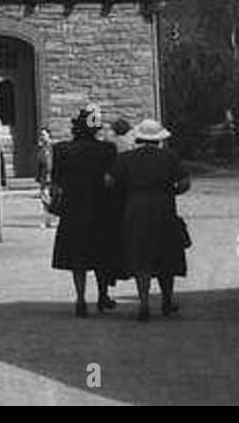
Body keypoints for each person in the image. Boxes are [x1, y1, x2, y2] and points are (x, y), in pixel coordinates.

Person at [112, 119, 190, 321]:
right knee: (166, 253)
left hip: (135, 206)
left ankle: (144, 302)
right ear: (159, 140)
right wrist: (172, 191)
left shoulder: (126, 158)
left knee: (141, 255)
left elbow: (110, 181)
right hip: (163, 206)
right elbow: (184, 182)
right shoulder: (170, 157)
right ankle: (166, 300)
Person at [50, 105, 122, 316]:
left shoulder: (62, 150)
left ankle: (80, 298)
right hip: (101, 208)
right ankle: (102, 296)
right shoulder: (107, 150)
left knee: (77, 257)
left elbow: (57, 180)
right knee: (102, 255)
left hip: (73, 209)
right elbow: (112, 180)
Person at [37, 127, 57, 229]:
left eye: (44, 135)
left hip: (54, 178)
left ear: (49, 136)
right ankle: (46, 220)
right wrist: (39, 178)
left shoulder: (53, 148)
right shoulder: (42, 149)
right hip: (45, 179)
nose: (42, 137)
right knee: (45, 200)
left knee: (52, 200)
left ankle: (51, 220)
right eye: (41, 135)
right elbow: (40, 165)